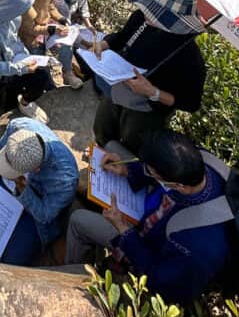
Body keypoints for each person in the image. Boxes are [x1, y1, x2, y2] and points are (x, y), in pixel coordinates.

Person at [64, 130, 230, 305]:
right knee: (112, 147)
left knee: (78, 220)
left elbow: (158, 277)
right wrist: (127, 170)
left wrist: (123, 228)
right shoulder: (199, 162)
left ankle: (71, 278)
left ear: (177, 186)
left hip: (147, 245)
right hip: (155, 215)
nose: (148, 172)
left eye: (151, 172)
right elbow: (157, 172)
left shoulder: (195, 246)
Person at [91, 0, 206, 154]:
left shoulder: (188, 54)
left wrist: (153, 92)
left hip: (149, 108)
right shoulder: (141, 17)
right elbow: (122, 37)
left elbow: (191, 103)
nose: (146, 14)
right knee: (102, 127)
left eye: (154, 13)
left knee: (132, 145)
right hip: (118, 83)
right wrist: (103, 44)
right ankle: (99, 157)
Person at [0, 118, 78, 266]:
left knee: (13, 261)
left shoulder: (65, 179)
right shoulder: (19, 126)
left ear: (36, 170)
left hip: (35, 213)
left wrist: (22, 191)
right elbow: (0, 149)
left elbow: (45, 215)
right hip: (11, 186)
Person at [0, 0, 55, 122]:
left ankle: (22, 103)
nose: (26, 13)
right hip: (2, 68)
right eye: (23, 9)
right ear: (13, 7)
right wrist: (21, 68)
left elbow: (15, 39)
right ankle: (16, 106)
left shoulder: (13, 16)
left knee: (43, 72)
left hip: (15, 59)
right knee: (39, 77)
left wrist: (27, 57)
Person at [19, 0, 89, 90]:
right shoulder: (29, 0)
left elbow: (51, 7)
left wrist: (60, 19)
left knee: (66, 43)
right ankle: (46, 84)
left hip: (46, 27)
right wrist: (51, 30)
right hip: (31, 37)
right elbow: (28, 29)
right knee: (40, 65)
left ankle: (68, 73)